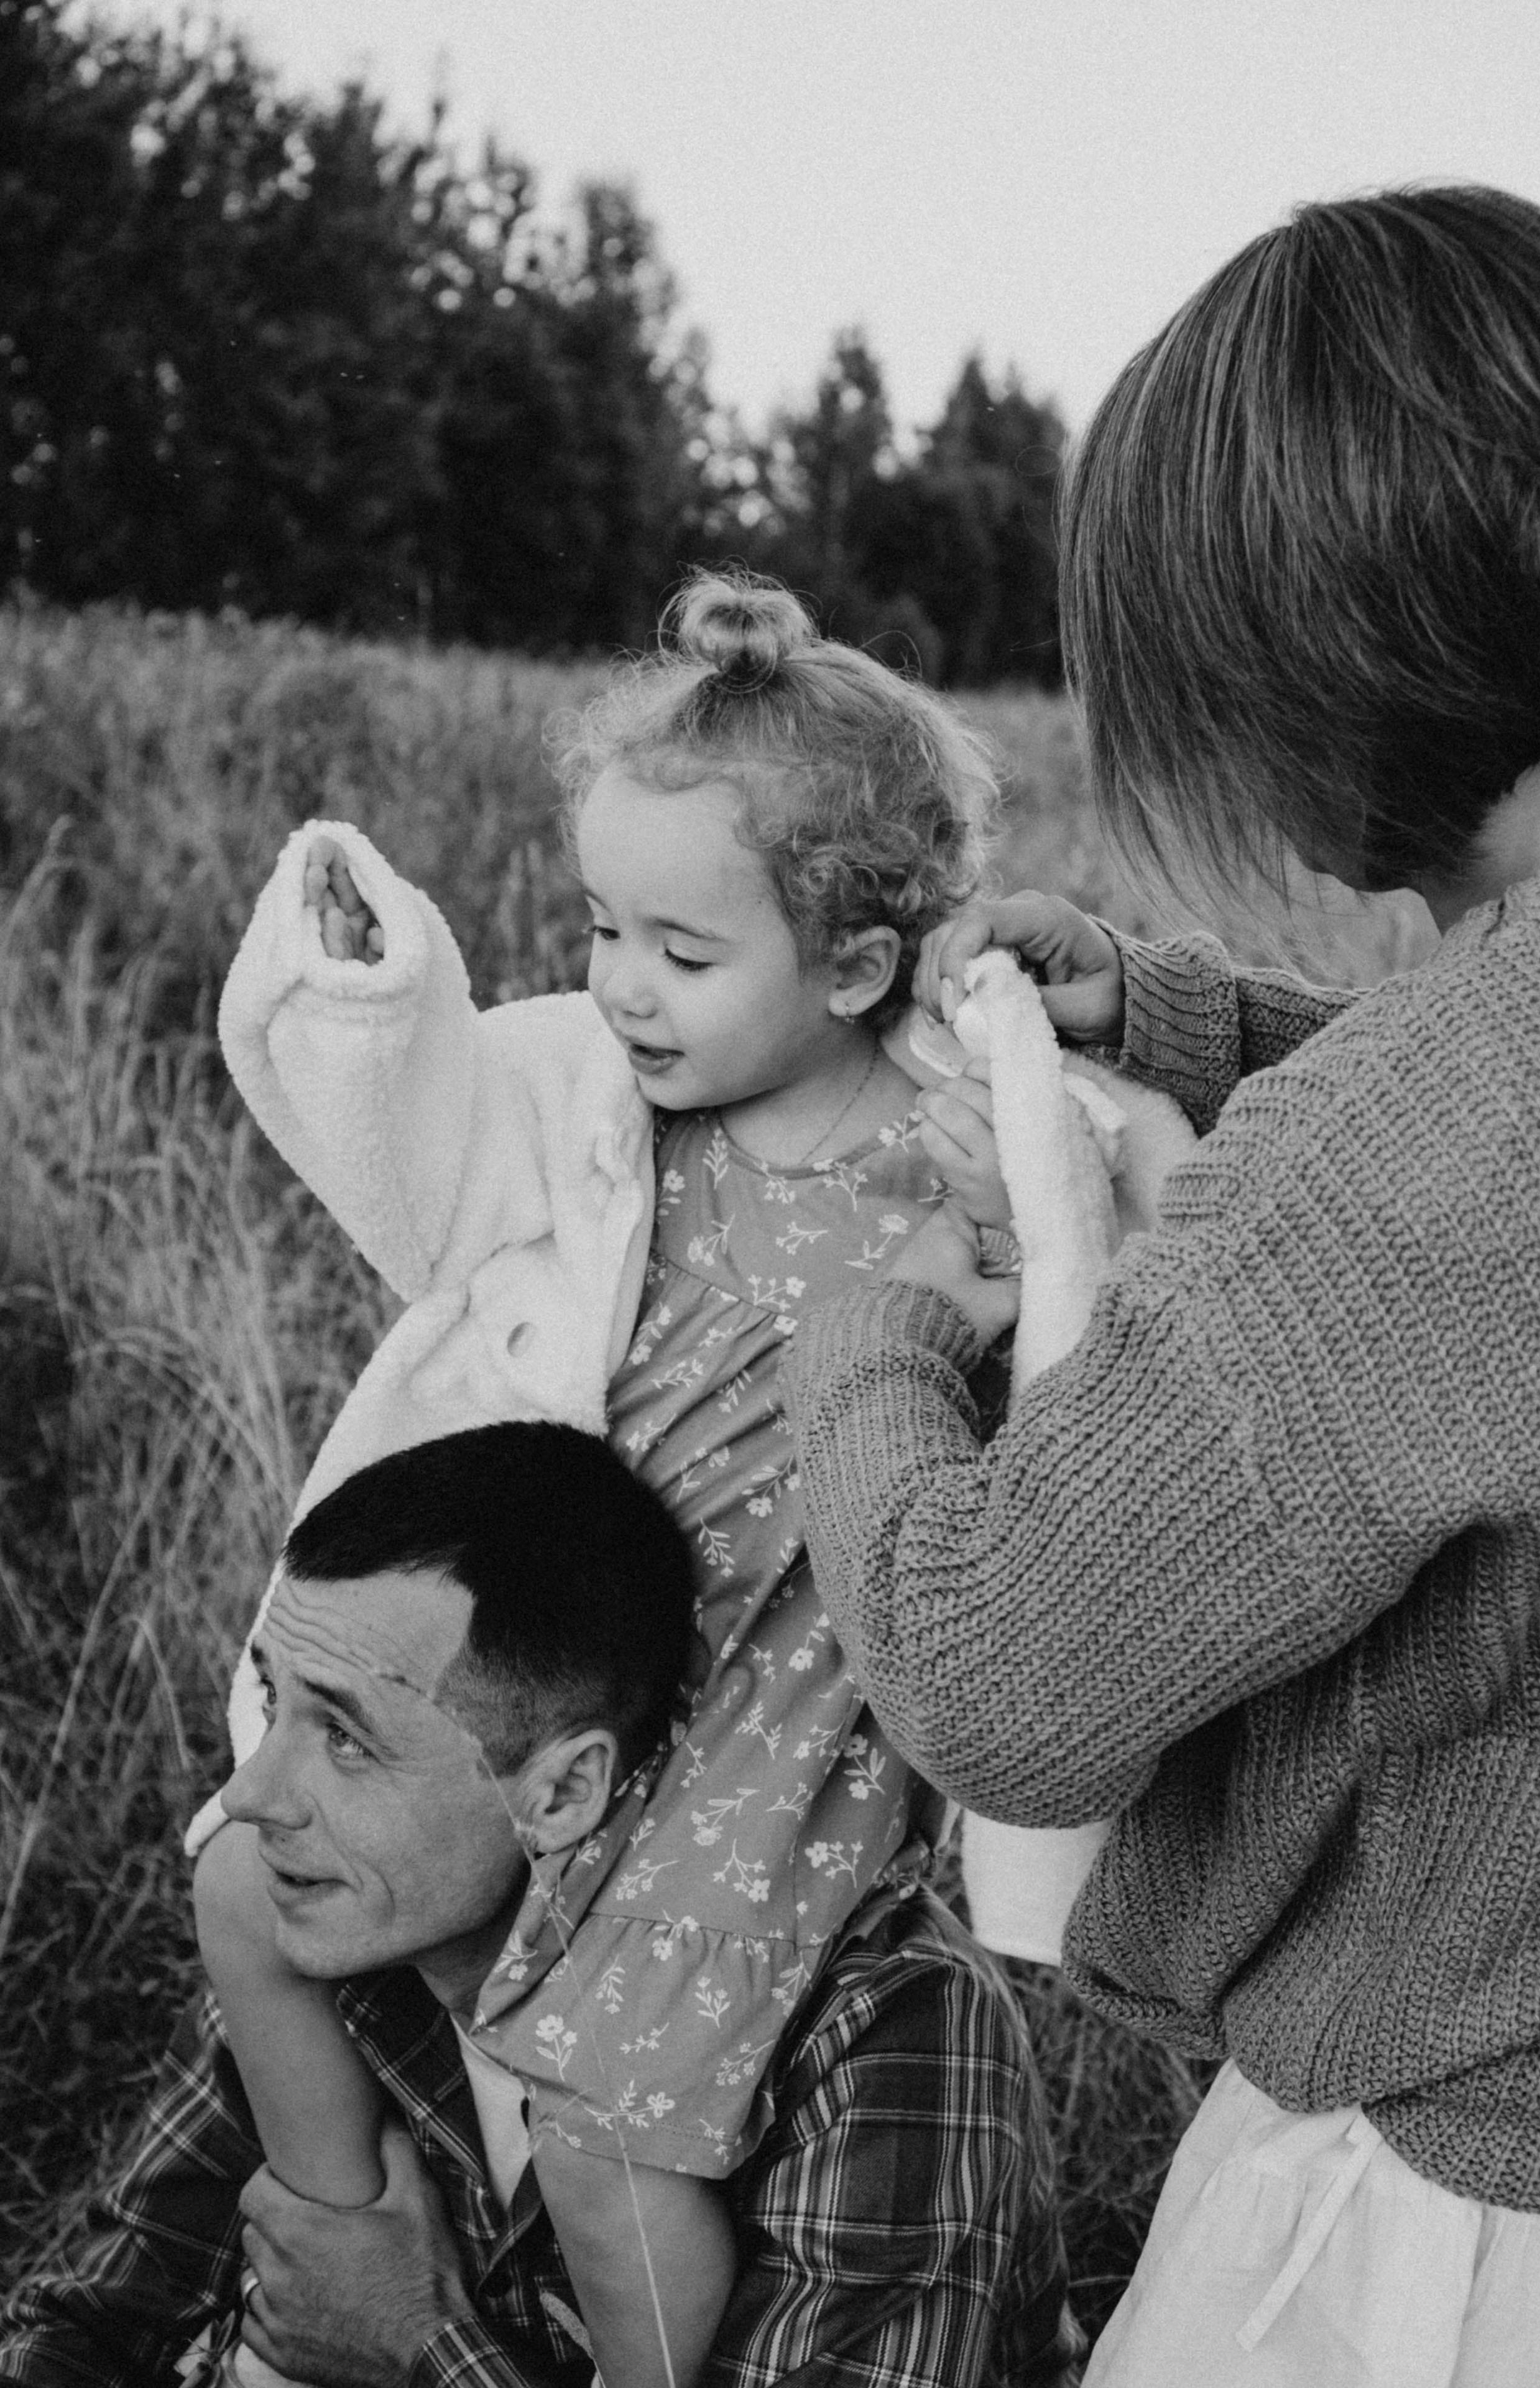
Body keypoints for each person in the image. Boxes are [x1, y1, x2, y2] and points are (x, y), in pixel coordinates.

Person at [781, 186, 1540, 2387]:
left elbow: (996, 1668)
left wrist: (865, 1327)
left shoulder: (1437, 1147)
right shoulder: (1494, 1105)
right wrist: (1190, 1017)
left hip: (1474, 2242)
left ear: (1329, 653)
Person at [191, 572, 1018, 2388]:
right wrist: (371, 994)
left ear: (860, 968)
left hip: (781, 1719)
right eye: (600, 928)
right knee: (247, 1900)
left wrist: (1021, 1203)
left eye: (683, 953)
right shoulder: (606, 1110)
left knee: (602, 2128)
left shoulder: (953, 1142)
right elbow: (429, 1149)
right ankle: (334, 2237)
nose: (620, 985)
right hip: (583, 1667)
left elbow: (1086, 1338)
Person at [0, 1422, 1084, 2388]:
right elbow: (105, 2313)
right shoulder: (333, 1923)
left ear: (562, 1791)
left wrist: (418, 2342)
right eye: (276, 1701)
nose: (250, 1793)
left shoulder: (886, 2030)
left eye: (345, 1738)